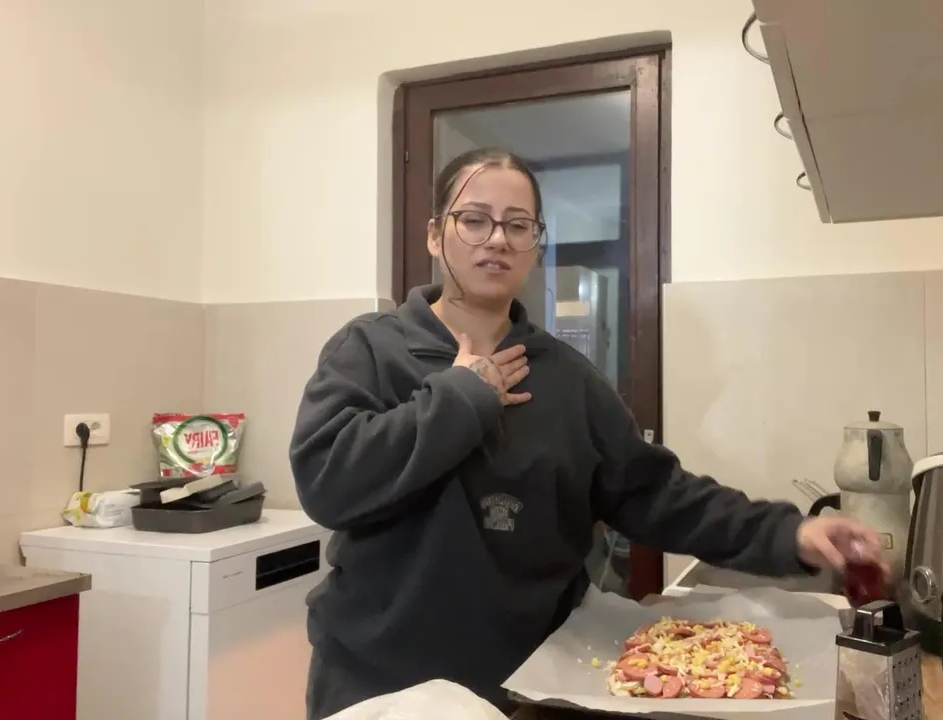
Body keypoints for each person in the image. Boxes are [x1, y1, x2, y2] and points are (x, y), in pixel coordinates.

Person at [290, 147, 883, 719]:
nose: (497, 239)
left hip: (527, 687)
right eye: (473, 220)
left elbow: (656, 494)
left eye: (517, 225)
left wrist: (789, 533)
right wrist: (462, 396)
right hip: (379, 687)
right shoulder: (371, 349)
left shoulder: (568, 379)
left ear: (535, 244)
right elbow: (327, 483)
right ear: (433, 234)